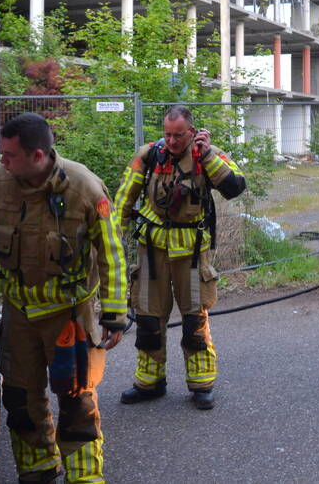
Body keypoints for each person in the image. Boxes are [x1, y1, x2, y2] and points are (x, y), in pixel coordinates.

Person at [0, 113, 127, 484]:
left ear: (37, 155)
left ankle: (84, 477)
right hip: (19, 315)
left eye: (9, 155)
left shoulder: (84, 188)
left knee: (76, 400)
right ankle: (37, 468)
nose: (2, 161)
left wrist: (115, 313)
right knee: (21, 397)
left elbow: (111, 253)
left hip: (70, 316)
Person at [114, 105, 247, 410]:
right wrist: (112, 239)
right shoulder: (148, 155)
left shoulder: (208, 154)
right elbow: (124, 197)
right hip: (152, 250)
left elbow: (235, 187)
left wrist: (207, 155)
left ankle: (201, 385)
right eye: (167, 134)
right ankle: (149, 383)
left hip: (191, 252)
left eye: (178, 135)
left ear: (191, 131)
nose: (171, 141)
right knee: (148, 318)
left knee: (194, 320)